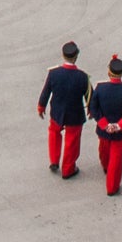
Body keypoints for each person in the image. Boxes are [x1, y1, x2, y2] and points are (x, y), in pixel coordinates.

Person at [37, 41, 89, 179]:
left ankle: (54, 161)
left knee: (54, 133)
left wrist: (41, 106)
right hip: (75, 114)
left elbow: (46, 92)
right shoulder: (82, 77)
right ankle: (68, 169)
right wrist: (92, 109)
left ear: (63, 55)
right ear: (76, 56)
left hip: (57, 112)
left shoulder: (54, 73)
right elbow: (89, 96)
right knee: (72, 141)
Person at [88, 54, 122, 196]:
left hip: (104, 129)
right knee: (116, 159)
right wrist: (118, 126)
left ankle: (105, 167)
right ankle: (112, 187)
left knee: (104, 151)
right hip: (120, 132)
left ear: (108, 72)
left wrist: (104, 124)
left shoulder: (100, 88)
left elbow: (94, 107)